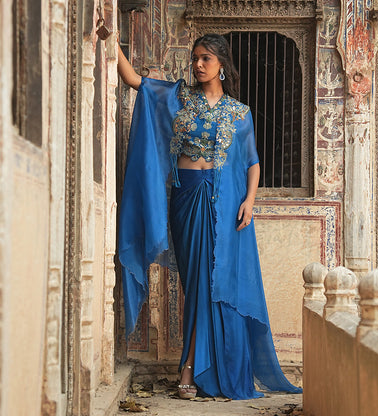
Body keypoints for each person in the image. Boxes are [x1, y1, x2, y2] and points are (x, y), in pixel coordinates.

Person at [116, 33, 302, 400]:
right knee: (197, 282)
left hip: (226, 202)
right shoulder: (180, 96)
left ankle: (192, 368)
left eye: (206, 59)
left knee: (212, 284)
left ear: (222, 64)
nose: (198, 65)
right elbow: (135, 82)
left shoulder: (239, 111)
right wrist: (113, 42)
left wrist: (250, 200)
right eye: (196, 58)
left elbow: (252, 162)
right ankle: (200, 366)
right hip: (187, 198)